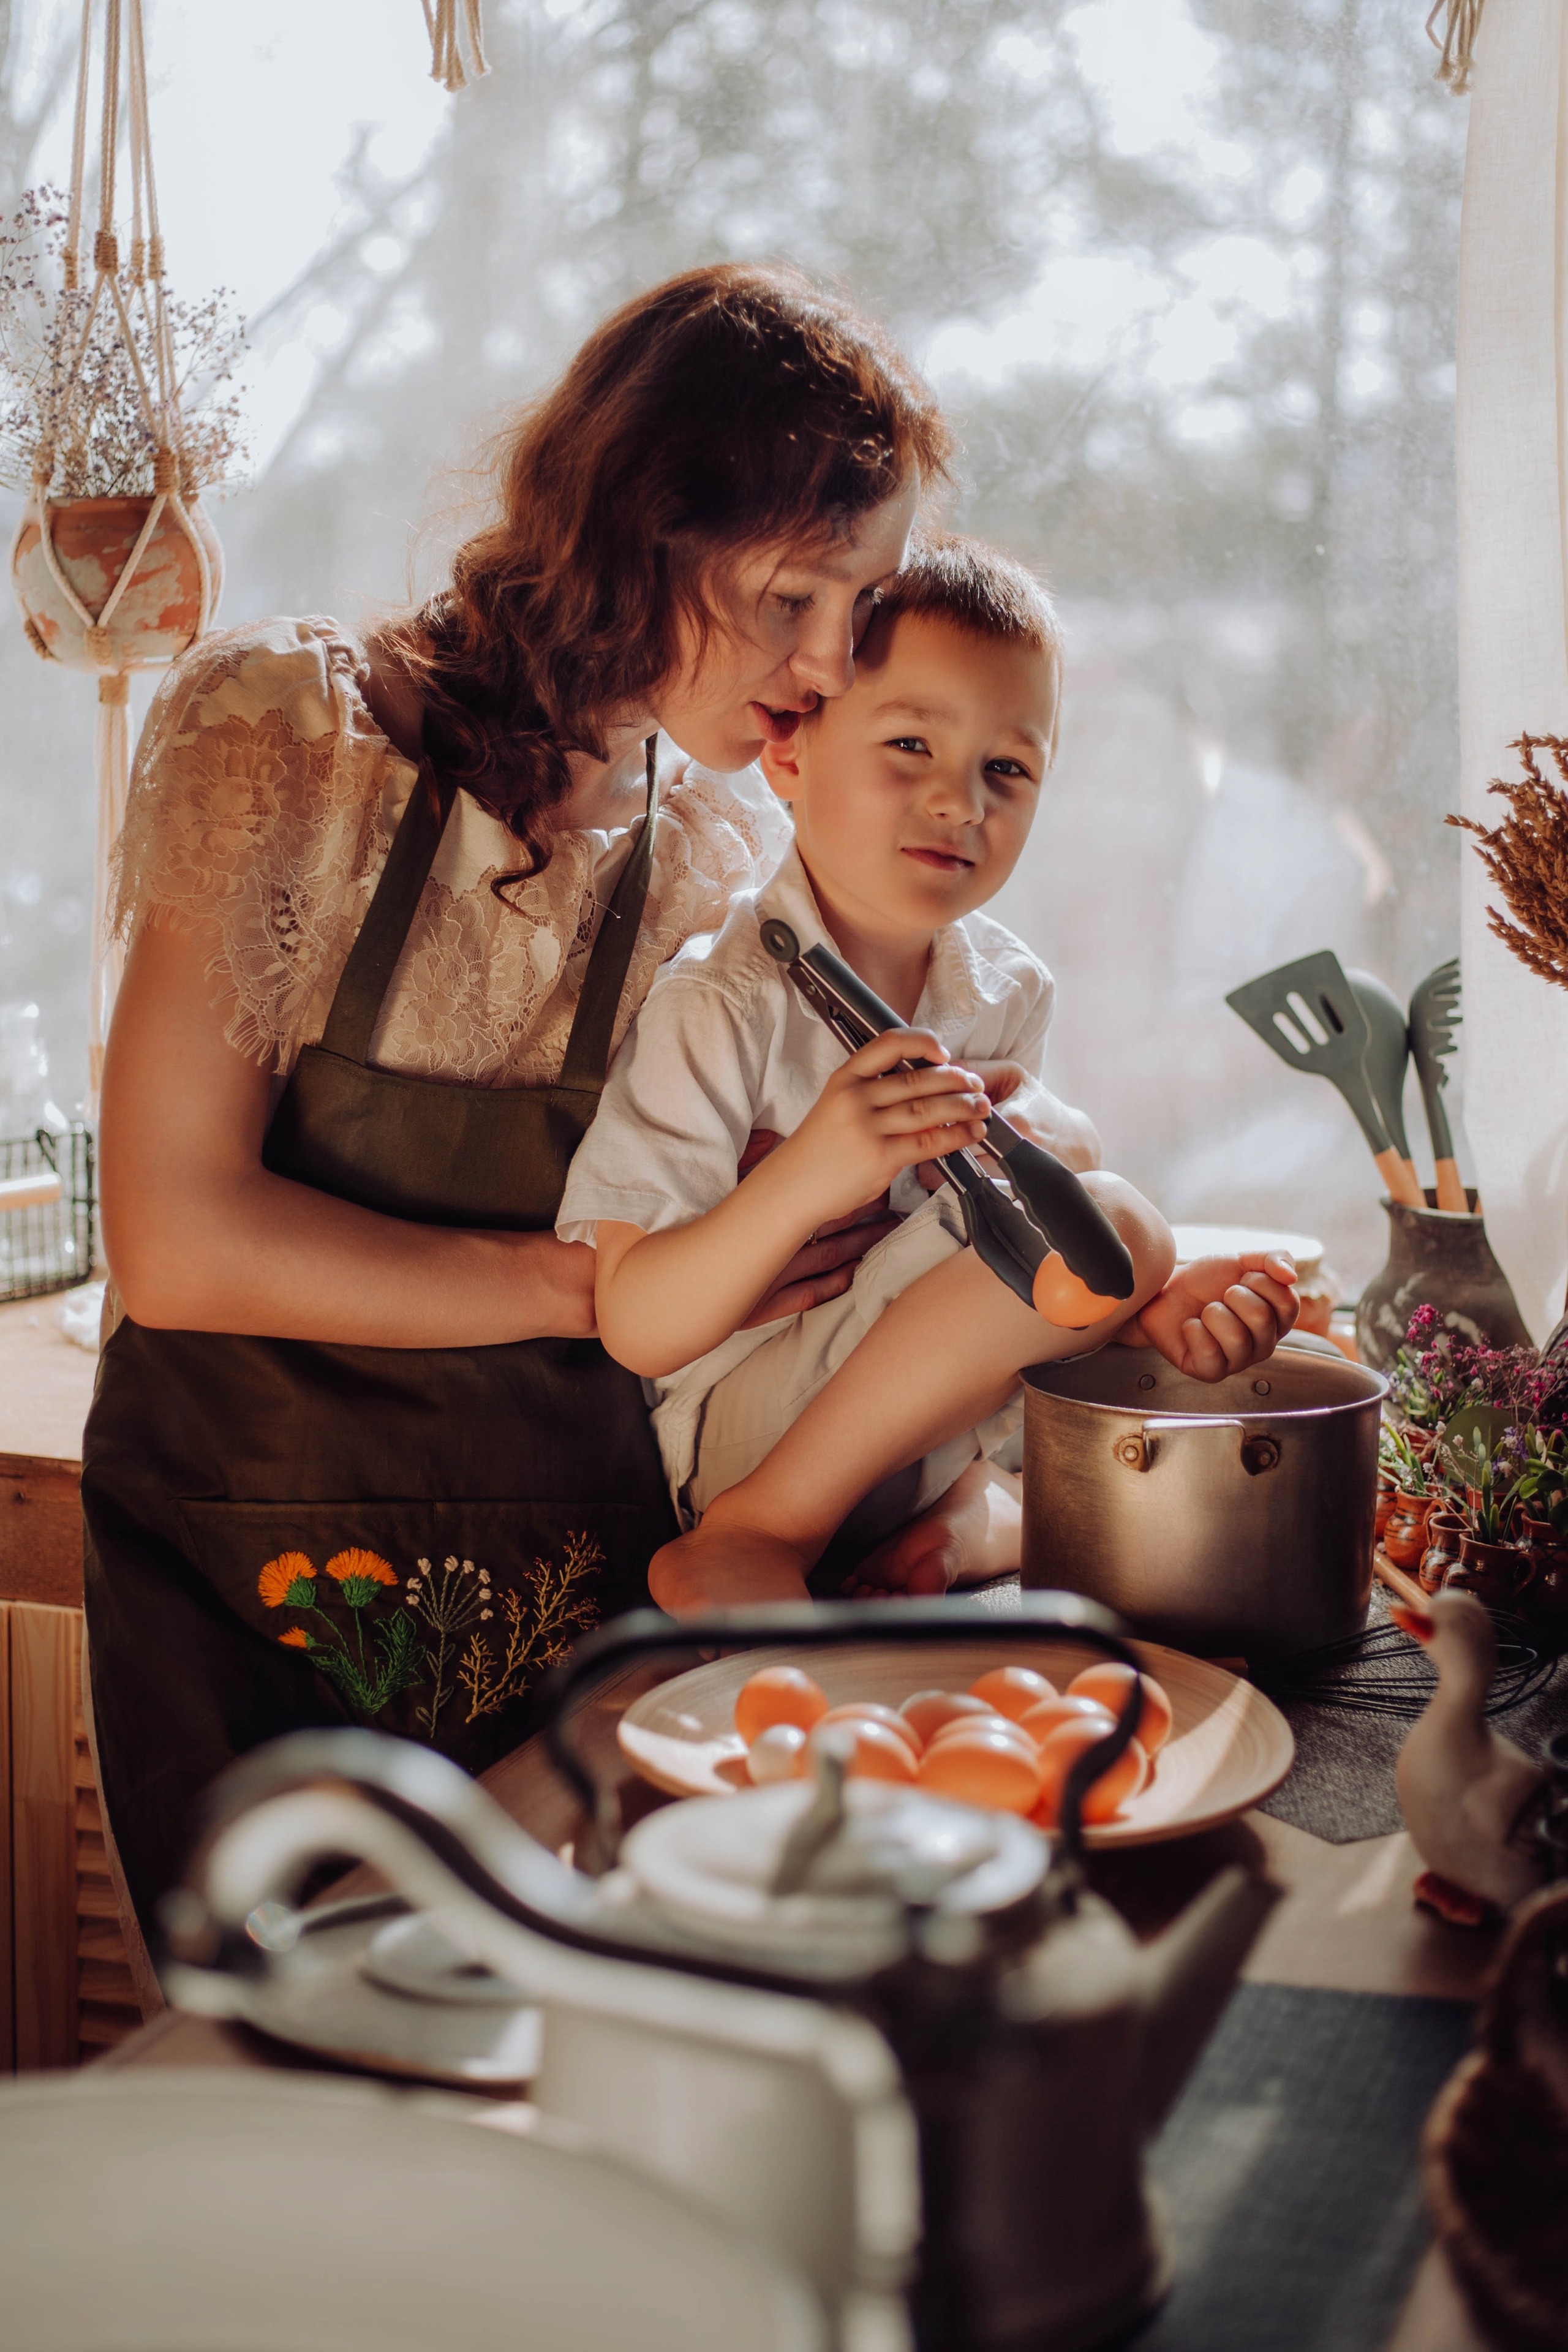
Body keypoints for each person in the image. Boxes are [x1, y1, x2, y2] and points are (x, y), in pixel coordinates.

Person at [85, 263, 954, 1924]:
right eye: (791, 597)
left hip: (570, 1620)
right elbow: (177, 1239)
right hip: (239, 1598)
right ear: (642, 524)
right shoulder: (283, 732)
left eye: (862, 605)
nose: (833, 665)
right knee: (290, 2089)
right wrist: (593, 1283)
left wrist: (926, 1485)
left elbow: (774, 1276)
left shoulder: (714, 856)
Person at [557, 537, 1300, 1614]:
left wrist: (1128, 1307)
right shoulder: (721, 1001)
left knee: (1104, 1221)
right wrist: (812, 1172)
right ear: (790, 754)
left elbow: (978, 1275)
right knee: (1121, 1226)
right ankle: (768, 1535)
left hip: (909, 1441)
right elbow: (635, 1321)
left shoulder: (1004, 990)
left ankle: (957, 1523)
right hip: (758, 1449)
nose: (962, 802)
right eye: (911, 744)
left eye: (1008, 769)